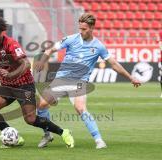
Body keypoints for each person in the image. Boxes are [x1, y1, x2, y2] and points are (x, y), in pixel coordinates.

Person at [35, 13, 141, 149]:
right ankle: (47, 134)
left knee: (80, 108)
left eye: (84, 29)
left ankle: (99, 140)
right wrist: (42, 62)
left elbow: (114, 64)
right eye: (80, 28)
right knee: (42, 105)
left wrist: (131, 77)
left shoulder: (99, 46)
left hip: (79, 81)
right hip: (62, 79)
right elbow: (50, 50)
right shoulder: (71, 39)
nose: (81, 31)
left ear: (92, 28)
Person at [0, 15, 74, 148]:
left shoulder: (11, 45)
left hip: (24, 86)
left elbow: (26, 64)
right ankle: (13, 137)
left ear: (1, 32)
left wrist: (11, 74)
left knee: (30, 119)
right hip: (7, 86)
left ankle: (63, 132)